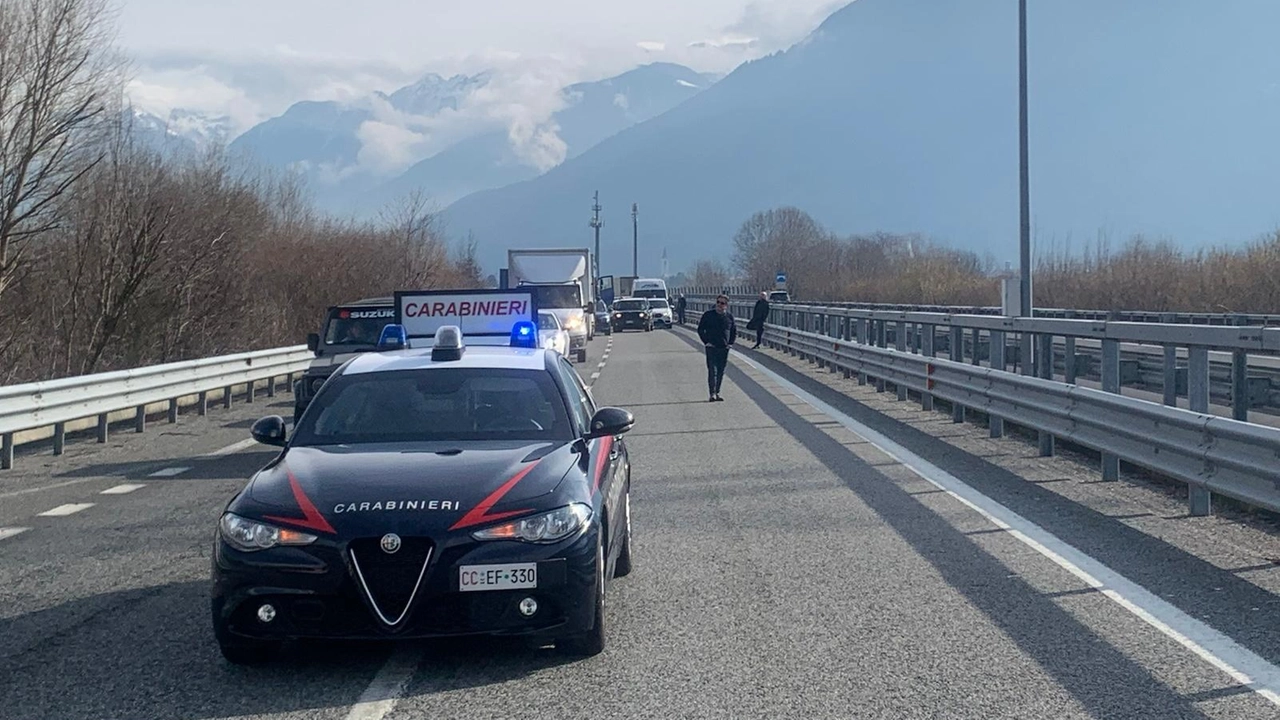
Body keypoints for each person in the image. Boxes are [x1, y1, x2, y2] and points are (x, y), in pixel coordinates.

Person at [697, 294, 736, 402]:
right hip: (711, 347)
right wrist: (706, 341)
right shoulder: (708, 315)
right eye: (718, 302)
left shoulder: (729, 317)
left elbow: (733, 331)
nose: (719, 305)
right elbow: (700, 329)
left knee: (720, 371)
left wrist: (730, 343)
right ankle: (712, 393)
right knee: (712, 371)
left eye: (722, 303)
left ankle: (718, 392)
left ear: (726, 305)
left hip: (724, 348)